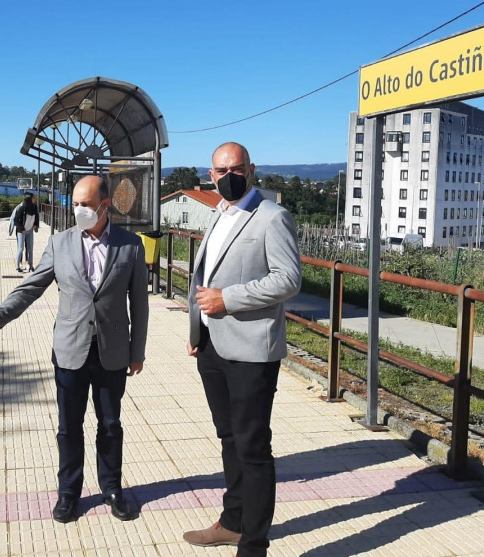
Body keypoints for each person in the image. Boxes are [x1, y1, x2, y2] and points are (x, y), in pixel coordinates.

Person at [0, 175, 149, 524]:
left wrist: (137, 352)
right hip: (70, 350)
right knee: (68, 426)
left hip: (112, 352)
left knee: (110, 424)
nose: (79, 210)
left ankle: (112, 489)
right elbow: (29, 289)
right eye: (75, 204)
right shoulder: (59, 243)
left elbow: (139, 303)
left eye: (87, 206)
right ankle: (69, 493)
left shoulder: (130, 245)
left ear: (105, 205)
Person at [182, 142, 301, 557]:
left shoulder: (272, 216)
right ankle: (232, 522)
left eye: (235, 168)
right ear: (210, 175)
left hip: (252, 350)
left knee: (252, 447)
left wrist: (227, 300)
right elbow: (204, 277)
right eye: (220, 169)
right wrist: (199, 330)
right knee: (229, 439)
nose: (228, 175)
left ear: (250, 170)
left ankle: (254, 544)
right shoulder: (219, 214)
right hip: (214, 346)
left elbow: (288, 279)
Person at [13, 192, 39, 272]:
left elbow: (37, 218)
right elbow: (16, 220)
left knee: (30, 249)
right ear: (29, 199)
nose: (34, 199)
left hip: (30, 230)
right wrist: (22, 229)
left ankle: (30, 265)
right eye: (33, 198)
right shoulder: (22, 208)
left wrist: (35, 225)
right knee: (20, 248)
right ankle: (17, 266)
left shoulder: (34, 207)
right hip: (21, 231)